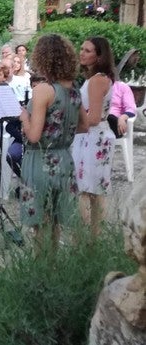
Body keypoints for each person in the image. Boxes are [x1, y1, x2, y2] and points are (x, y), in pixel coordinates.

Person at [19, 34, 87, 252]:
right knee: (56, 221)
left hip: (40, 160)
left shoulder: (43, 90)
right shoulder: (74, 89)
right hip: (65, 159)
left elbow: (34, 136)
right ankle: (54, 264)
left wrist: (23, 117)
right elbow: (84, 126)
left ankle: (42, 271)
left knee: (40, 223)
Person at [71, 37, 116, 237]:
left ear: (99, 56)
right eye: (81, 49)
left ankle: (86, 236)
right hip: (93, 136)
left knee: (86, 189)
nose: (82, 53)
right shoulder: (98, 78)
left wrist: (70, 126)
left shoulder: (97, 80)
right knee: (94, 190)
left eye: (88, 50)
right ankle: (93, 237)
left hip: (93, 137)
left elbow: (94, 117)